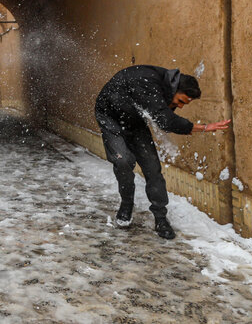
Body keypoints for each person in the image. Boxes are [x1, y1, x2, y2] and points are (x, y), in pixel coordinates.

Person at [94, 65, 231, 239]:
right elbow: (165, 120)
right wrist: (203, 128)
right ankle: (126, 204)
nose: (179, 106)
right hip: (110, 119)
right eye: (180, 101)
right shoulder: (148, 82)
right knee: (123, 161)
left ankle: (161, 218)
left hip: (134, 122)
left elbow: (163, 117)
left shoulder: (164, 85)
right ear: (175, 89)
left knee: (152, 168)